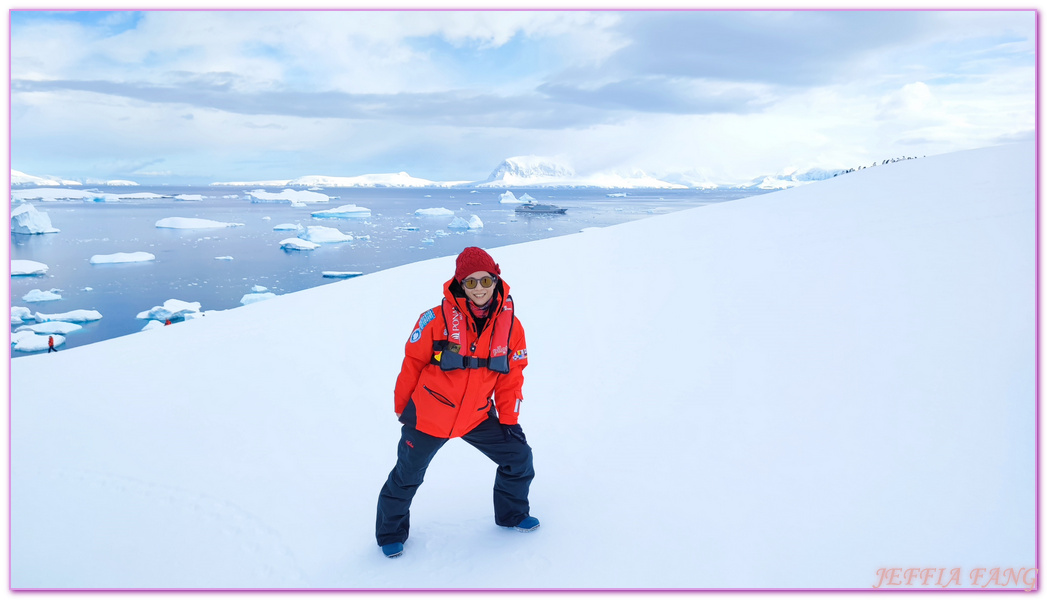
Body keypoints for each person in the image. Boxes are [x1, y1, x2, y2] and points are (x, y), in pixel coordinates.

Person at [375, 246, 537, 559]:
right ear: (459, 285)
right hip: (428, 416)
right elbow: (411, 365)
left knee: (519, 457)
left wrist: (509, 421)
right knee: (407, 476)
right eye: (471, 282)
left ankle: (512, 514)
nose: (479, 289)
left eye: (485, 281)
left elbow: (511, 377)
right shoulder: (433, 320)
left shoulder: (511, 327)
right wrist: (402, 409)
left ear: (496, 280)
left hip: (476, 415)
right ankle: (390, 534)